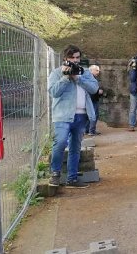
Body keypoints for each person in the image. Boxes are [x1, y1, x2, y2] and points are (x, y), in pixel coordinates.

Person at [47, 45, 98, 189]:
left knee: (75, 147)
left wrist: (78, 79)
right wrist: (65, 77)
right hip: (62, 116)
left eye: (77, 57)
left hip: (81, 116)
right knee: (61, 142)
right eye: (72, 58)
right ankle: (55, 173)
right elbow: (54, 93)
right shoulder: (57, 73)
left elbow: (94, 88)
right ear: (65, 59)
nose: (75, 60)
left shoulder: (85, 72)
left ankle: (72, 178)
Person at [85, 65, 103, 136]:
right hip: (92, 99)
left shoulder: (88, 78)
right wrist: (98, 91)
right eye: (97, 70)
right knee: (94, 114)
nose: (98, 72)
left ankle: (87, 130)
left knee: (88, 115)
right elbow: (90, 89)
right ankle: (91, 131)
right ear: (91, 70)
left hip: (90, 98)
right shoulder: (91, 78)